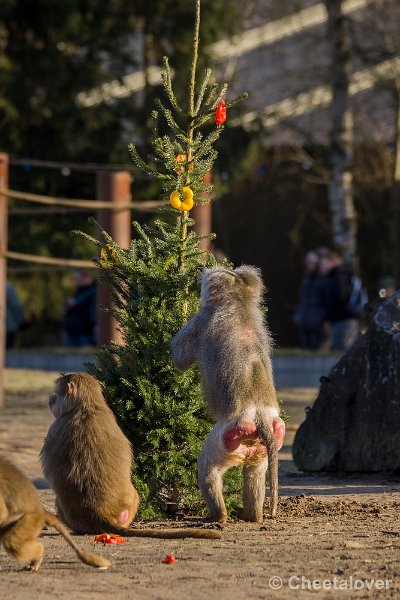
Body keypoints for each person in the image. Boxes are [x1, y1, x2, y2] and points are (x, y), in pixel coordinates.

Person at [318, 248, 366, 351]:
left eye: (323, 263)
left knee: (342, 353)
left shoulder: (338, 276)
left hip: (343, 320)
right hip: (347, 319)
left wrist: (327, 314)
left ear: (333, 262)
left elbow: (339, 298)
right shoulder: (342, 275)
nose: (321, 267)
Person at [293, 249, 328, 350]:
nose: (310, 264)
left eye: (313, 262)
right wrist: (298, 315)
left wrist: (321, 317)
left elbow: (325, 301)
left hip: (317, 323)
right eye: (308, 261)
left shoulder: (323, 280)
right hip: (305, 320)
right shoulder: (306, 279)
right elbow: (301, 300)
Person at [62, 269, 97, 347]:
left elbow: (91, 314)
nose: (76, 280)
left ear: (85, 276)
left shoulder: (94, 292)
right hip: (72, 332)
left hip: (85, 334)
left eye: (78, 277)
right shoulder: (78, 292)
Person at [6, 281, 24, 349]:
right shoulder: (6, 286)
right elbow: (17, 307)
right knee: (7, 355)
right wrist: (19, 322)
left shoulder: (6, 286)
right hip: (7, 327)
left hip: (8, 327)